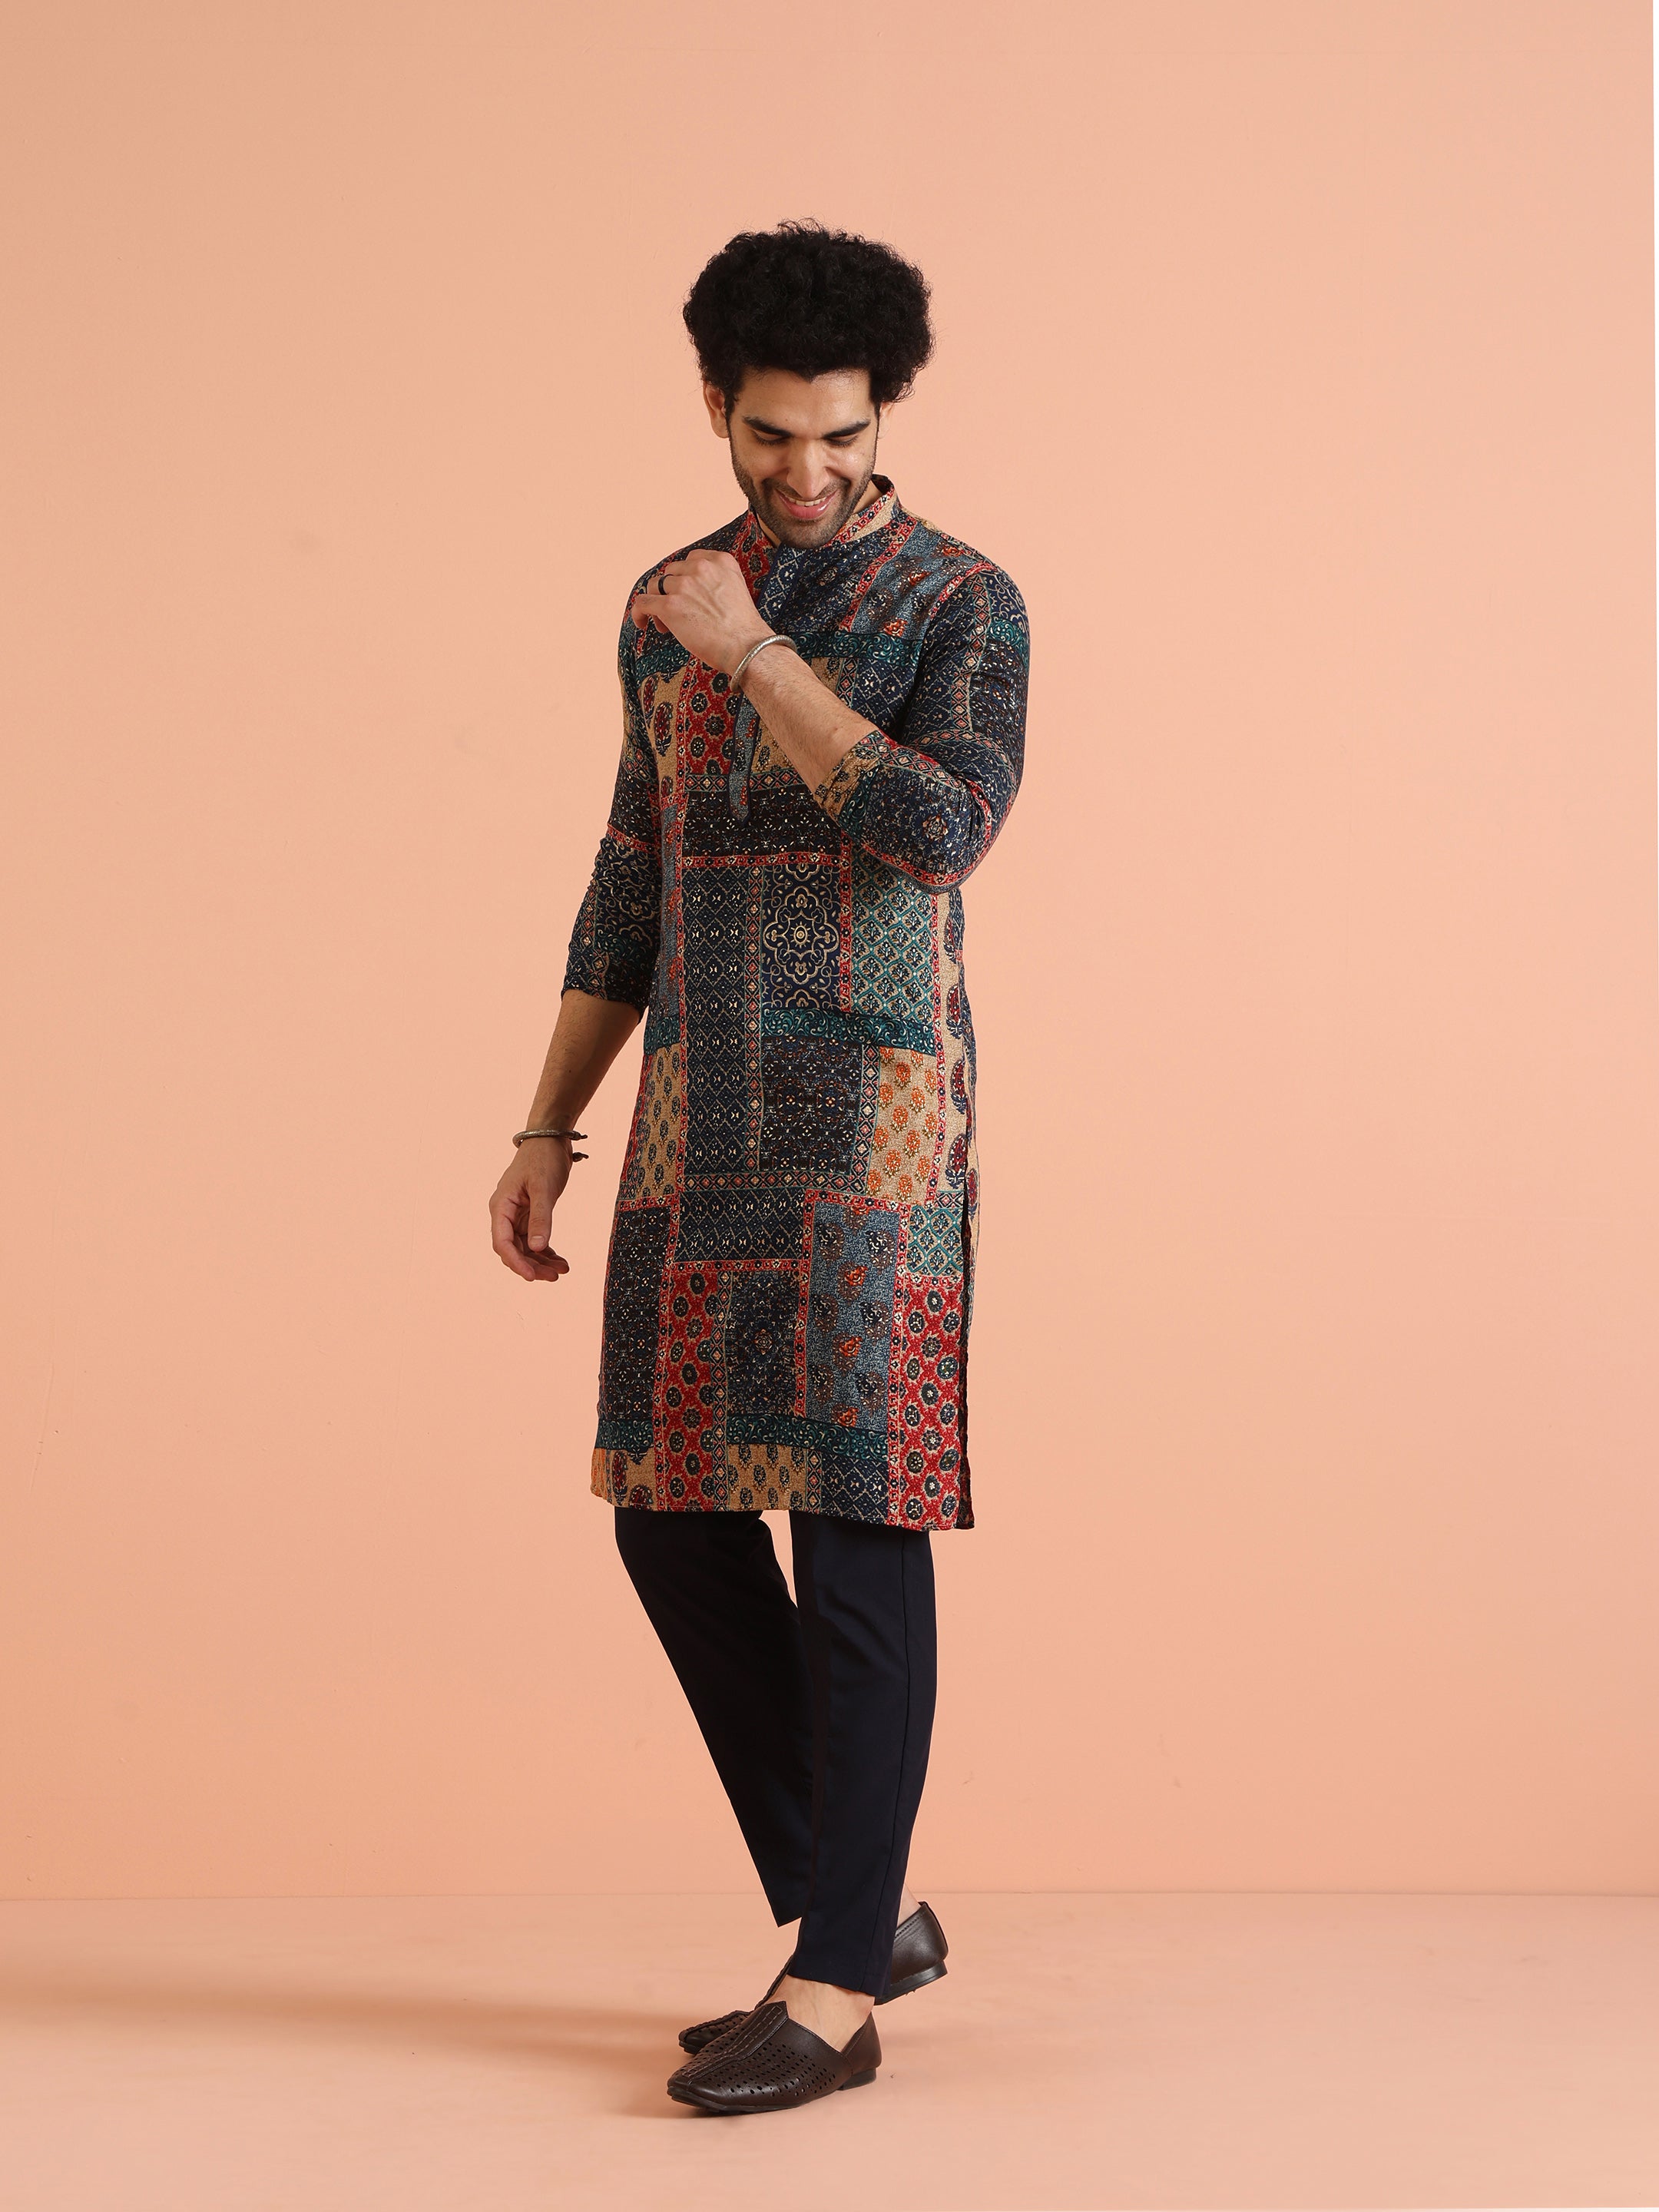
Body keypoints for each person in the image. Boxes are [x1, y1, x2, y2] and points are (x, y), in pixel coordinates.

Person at [488, 220, 1028, 2115]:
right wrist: (547, 1122)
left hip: (877, 1124)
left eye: (843, 436)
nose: (808, 471)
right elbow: (629, 869)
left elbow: (937, 826)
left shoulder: (963, 600)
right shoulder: (662, 606)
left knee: (857, 1517)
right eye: (771, 434)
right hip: (696, 1115)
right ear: (716, 407)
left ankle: (836, 1984)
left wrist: (765, 657)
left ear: (889, 416)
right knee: (668, 1514)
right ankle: (860, 1908)